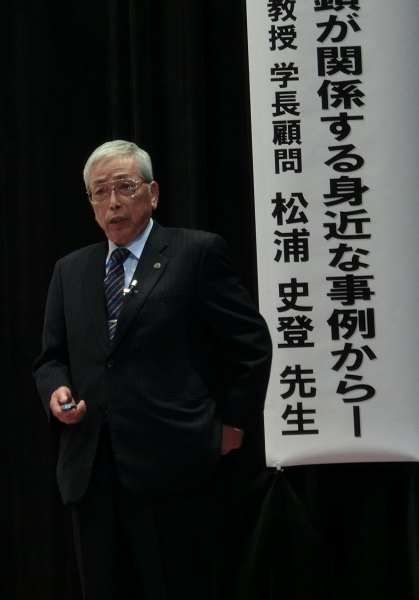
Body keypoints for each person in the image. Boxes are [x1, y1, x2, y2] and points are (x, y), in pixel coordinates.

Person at [33, 140, 273, 599]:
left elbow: (251, 345)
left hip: (174, 466)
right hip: (92, 470)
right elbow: (51, 357)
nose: (113, 202)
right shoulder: (71, 270)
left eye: (125, 187)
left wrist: (234, 424)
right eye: (100, 192)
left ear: (153, 193)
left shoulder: (195, 252)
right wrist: (56, 391)